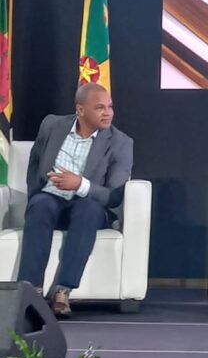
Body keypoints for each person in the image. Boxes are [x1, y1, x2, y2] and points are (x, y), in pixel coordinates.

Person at [16, 83, 133, 318]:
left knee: (87, 209)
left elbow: (113, 196)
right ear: (80, 110)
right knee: (40, 205)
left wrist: (79, 184)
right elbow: (35, 162)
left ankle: (63, 291)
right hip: (51, 199)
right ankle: (31, 292)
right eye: (100, 108)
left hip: (89, 207)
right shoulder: (51, 125)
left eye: (110, 107)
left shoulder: (120, 143)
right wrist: (35, 193)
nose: (108, 113)